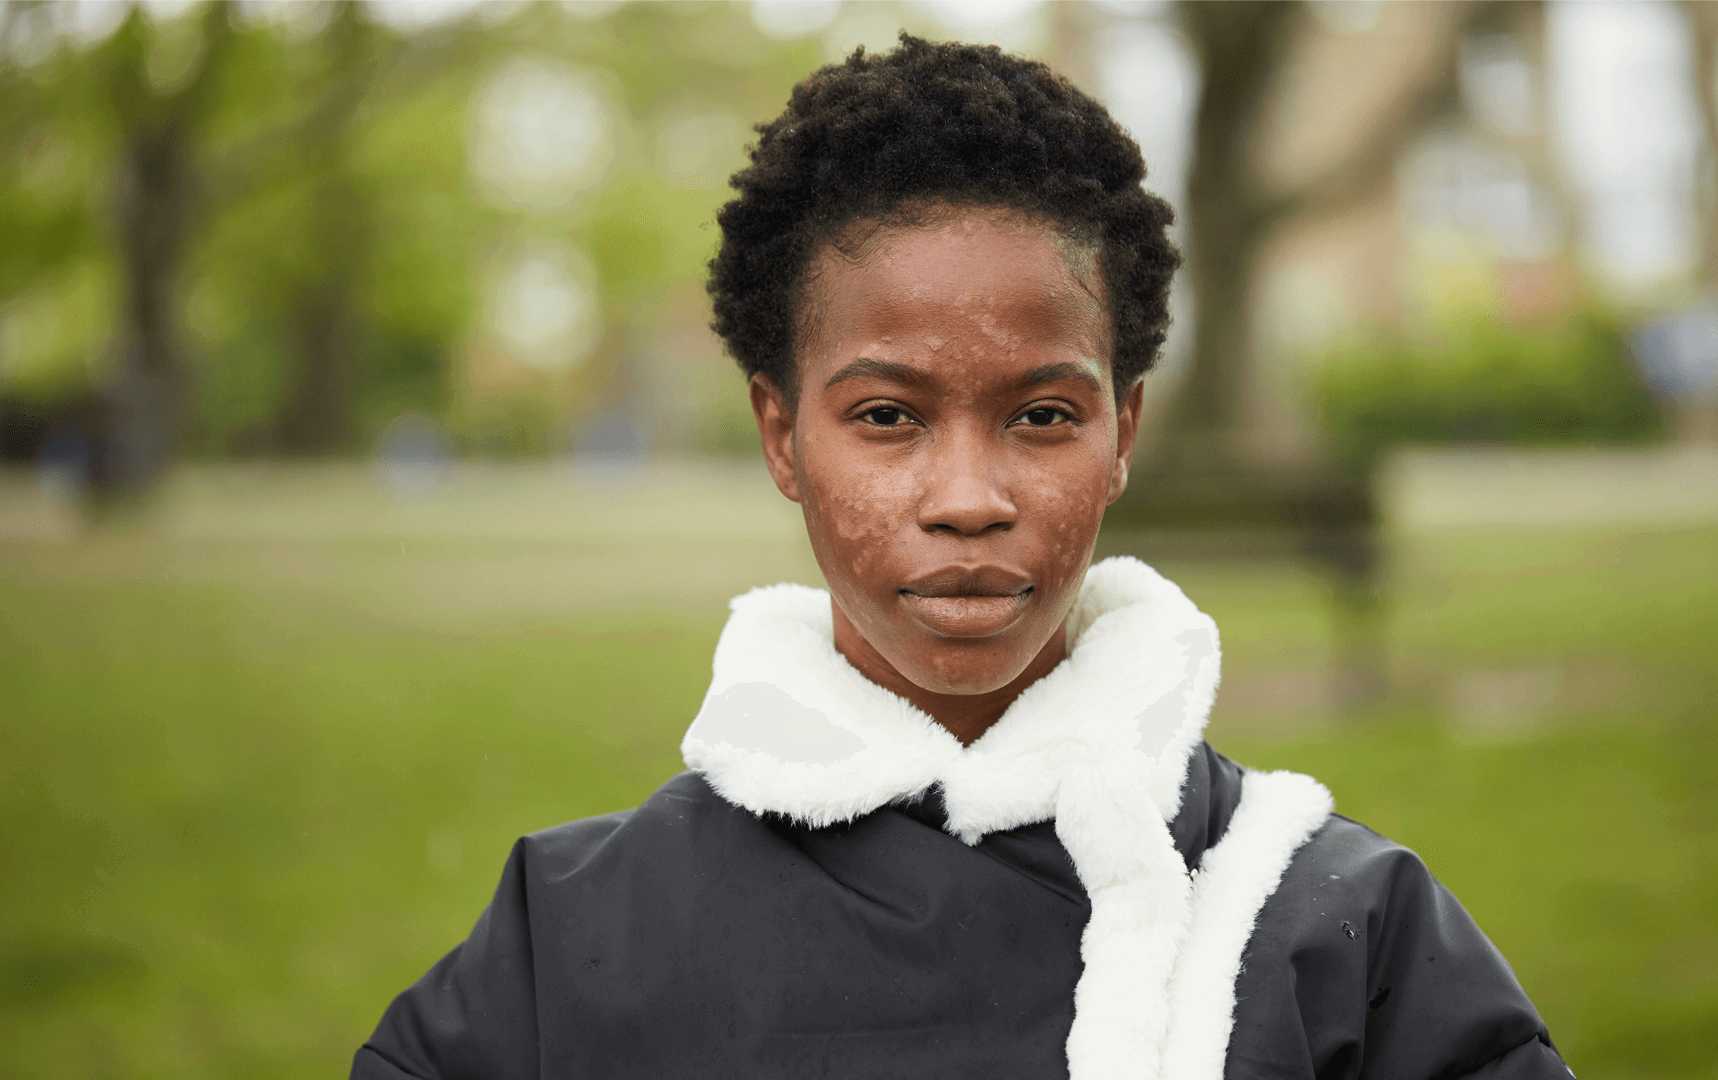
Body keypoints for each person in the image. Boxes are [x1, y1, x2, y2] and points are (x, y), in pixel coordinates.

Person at [352, 35, 1571, 1080]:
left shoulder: (1341, 927)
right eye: (888, 416)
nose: (970, 501)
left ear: (1122, 434)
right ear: (782, 436)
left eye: (1042, 416)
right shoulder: (572, 940)